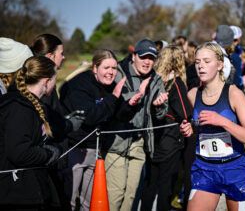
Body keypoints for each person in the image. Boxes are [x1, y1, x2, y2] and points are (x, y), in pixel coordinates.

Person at [180, 42, 245, 211]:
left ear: (219, 65)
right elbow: (199, 126)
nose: (201, 66)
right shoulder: (193, 95)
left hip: (235, 169)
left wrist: (222, 121)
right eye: (197, 62)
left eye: (207, 61)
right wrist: (190, 129)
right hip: (205, 169)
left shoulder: (234, 94)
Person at [102, 39, 168, 211]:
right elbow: (113, 105)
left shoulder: (155, 79)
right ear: (134, 56)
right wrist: (137, 94)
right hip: (116, 141)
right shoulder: (117, 73)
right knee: (115, 195)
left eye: (151, 58)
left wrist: (159, 106)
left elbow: (161, 115)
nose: (147, 62)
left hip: (139, 143)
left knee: (131, 196)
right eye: (143, 57)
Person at [60, 49, 128, 211]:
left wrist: (129, 104)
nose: (111, 72)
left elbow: (118, 113)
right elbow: (89, 116)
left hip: (96, 148)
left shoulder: (111, 86)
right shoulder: (79, 85)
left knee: (88, 201)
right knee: (68, 199)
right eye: (107, 68)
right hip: (75, 147)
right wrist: (113, 97)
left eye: (114, 68)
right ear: (95, 68)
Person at [0, 56, 61, 210]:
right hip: (15, 195)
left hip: (28, 191)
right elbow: (19, 152)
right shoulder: (18, 108)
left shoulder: (31, 105)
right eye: (55, 79)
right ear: (46, 81)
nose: (55, 85)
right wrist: (48, 154)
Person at [141, 46, 192, 211]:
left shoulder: (152, 80)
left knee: (150, 182)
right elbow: (185, 113)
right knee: (166, 183)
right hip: (169, 140)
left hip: (151, 138)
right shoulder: (175, 83)